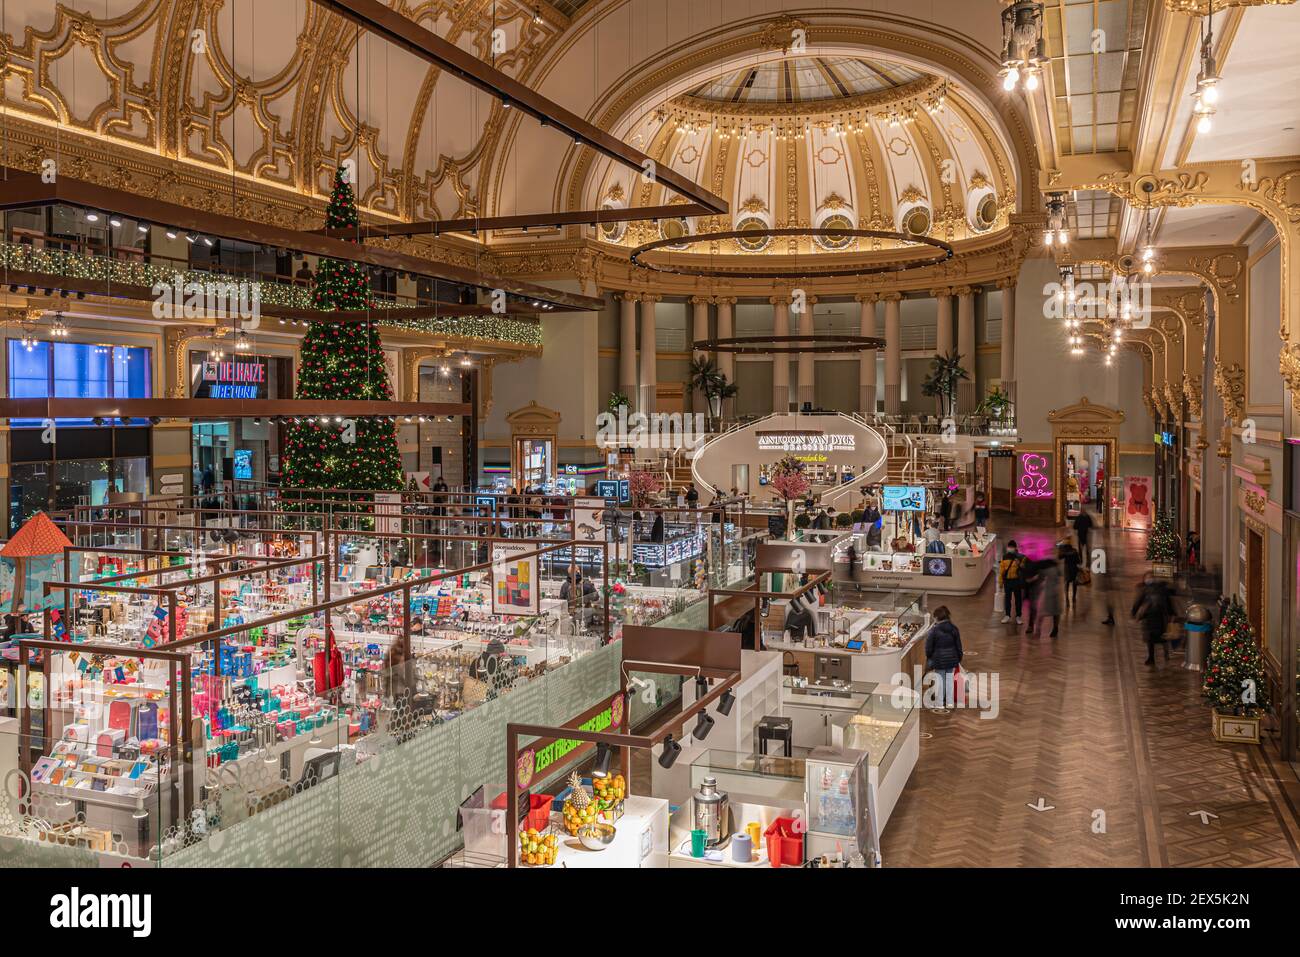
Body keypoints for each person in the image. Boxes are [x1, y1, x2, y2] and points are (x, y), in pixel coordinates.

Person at [1131, 574, 1176, 665]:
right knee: (1163, 636)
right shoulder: (1162, 589)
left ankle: (1151, 658)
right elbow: (1169, 603)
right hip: (1161, 616)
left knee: (1150, 638)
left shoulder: (1145, 589)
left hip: (1150, 616)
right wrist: (1172, 614)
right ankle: (1166, 655)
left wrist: (1134, 613)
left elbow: (1138, 602)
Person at [924, 605, 963, 708]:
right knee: (949, 680)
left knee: (940, 681)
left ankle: (940, 703)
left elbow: (928, 647)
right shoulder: (954, 629)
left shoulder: (934, 630)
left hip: (939, 660)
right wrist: (959, 658)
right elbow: (959, 645)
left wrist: (930, 656)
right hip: (952, 660)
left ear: (937, 617)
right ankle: (949, 702)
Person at [1029, 556, 1062, 637]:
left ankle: (1038, 630)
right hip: (1055, 592)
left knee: (1041, 613)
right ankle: (1055, 628)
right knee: (1056, 612)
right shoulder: (1056, 568)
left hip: (1046, 593)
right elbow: (1060, 578)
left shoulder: (1043, 570)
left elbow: (1038, 579)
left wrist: (1030, 580)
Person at [999, 540, 1026, 624]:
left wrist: (1019, 564)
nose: (1010, 548)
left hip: (1017, 581)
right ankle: (1007, 615)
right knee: (1007, 599)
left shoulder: (1021, 557)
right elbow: (1002, 571)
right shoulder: (1004, 557)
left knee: (1018, 599)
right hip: (1007, 581)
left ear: (1015, 548)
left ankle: (1018, 616)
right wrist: (1000, 582)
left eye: (1011, 547)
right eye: (1009, 547)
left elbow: (1025, 569)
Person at [1059, 539, 1082, 609]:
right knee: (1074, 584)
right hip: (1074, 569)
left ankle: (1067, 599)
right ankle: (1074, 597)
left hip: (1067, 570)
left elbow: (1059, 557)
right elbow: (1079, 561)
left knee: (1066, 584)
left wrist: (1060, 549)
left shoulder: (1064, 552)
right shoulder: (1074, 551)